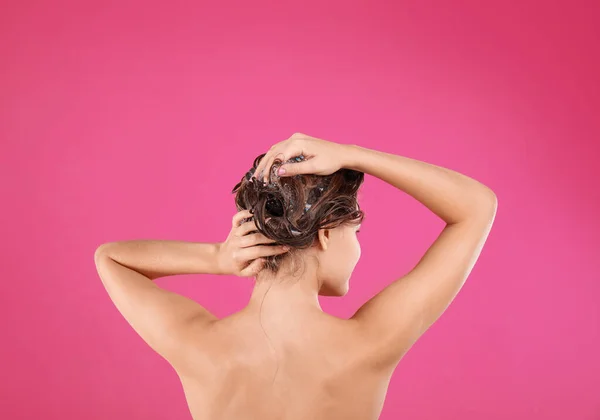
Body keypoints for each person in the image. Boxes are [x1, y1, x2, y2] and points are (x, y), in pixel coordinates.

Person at [94, 133, 497, 420]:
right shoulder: (370, 343)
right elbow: (476, 207)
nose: (357, 249)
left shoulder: (202, 346)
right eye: (354, 233)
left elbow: (112, 259)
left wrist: (218, 257)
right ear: (325, 235)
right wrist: (352, 154)